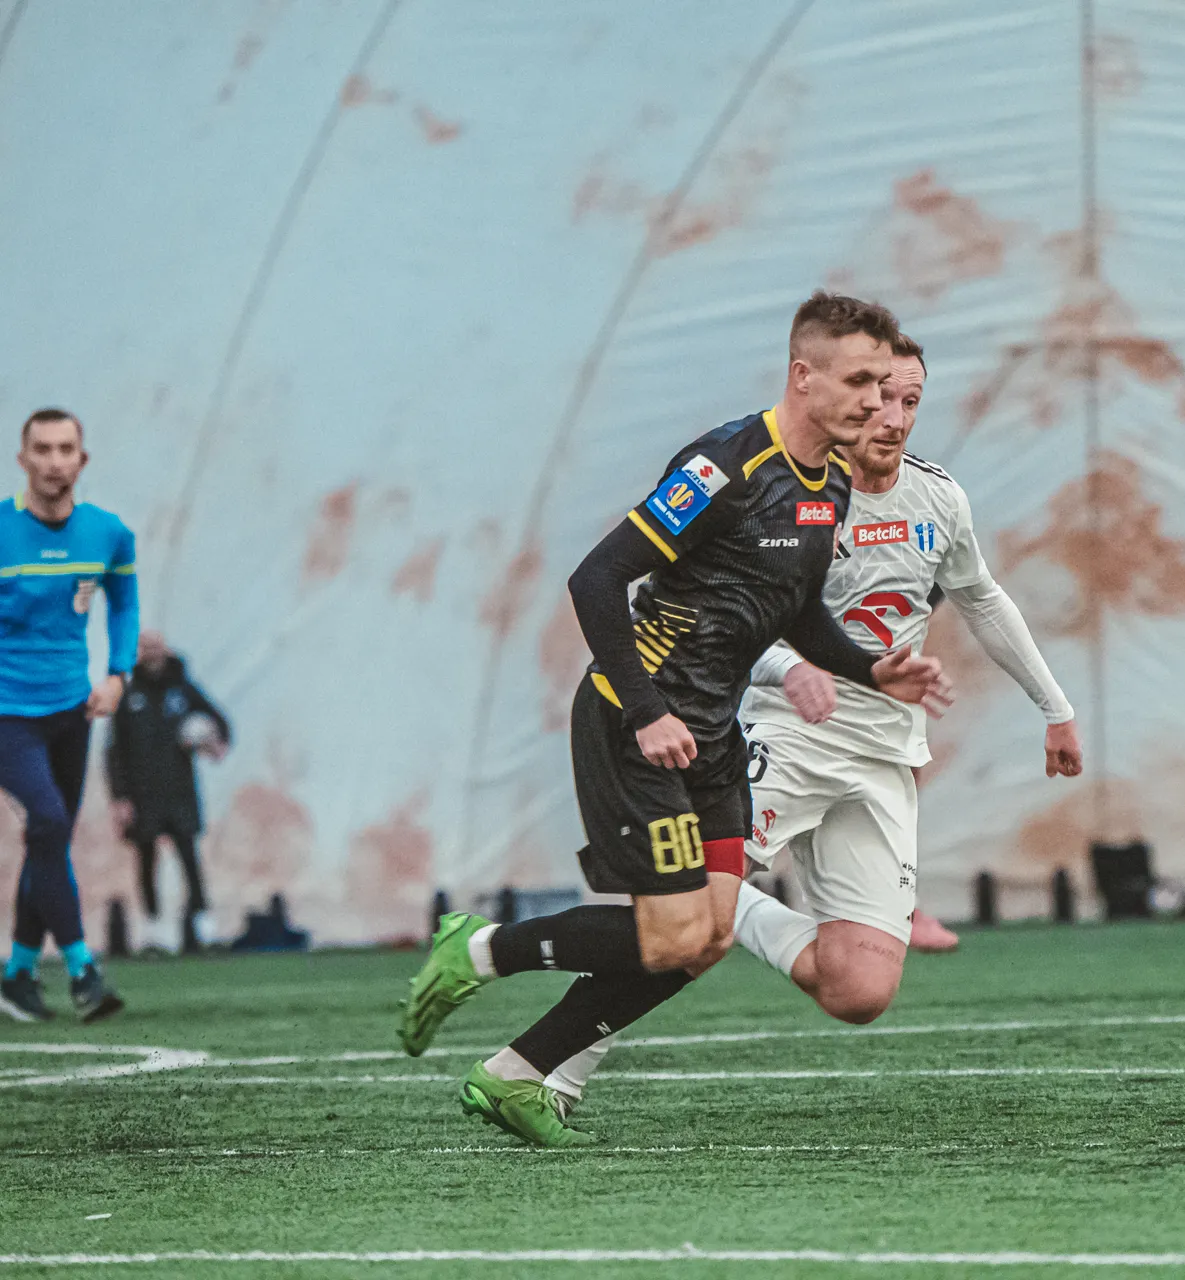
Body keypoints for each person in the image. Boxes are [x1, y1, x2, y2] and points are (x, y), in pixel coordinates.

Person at [398, 292, 948, 1146]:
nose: (876, 403)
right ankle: (481, 948)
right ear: (803, 376)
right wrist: (648, 709)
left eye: (884, 385)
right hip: (637, 725)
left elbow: (796, 611)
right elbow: (595, 579)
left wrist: (870, 668)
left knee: (708, 939)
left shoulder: (830, 482)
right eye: (858, 382)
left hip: (713, 735)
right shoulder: (724, 469)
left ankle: (518, 1074)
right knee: (674, 936)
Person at [539, 334, 1081, 1115]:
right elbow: (717, 616)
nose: (892, 416)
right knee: (686, 925)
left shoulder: (938, 498)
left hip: (882, 757)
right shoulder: (787, 493)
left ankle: (741, 910)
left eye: (910, 400)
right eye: (879, 396)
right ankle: (557, 1070)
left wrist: (1055, 709)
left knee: (859, 990)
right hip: (785, 739)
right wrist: (785, 668)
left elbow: (983, 599)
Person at [0, 409, 134, 1023]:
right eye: (43, 449)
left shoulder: (108, 533)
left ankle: (17, 974)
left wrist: (118, 674)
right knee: (50, 821)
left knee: (49, 838)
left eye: (66, 449)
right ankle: (83, 969)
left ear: (83, 459)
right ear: (22, 459)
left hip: (72, 712)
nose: (55, 461)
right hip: (8, 716)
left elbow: (124, 604)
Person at [106, 630, 230, 954]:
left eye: (156, 646)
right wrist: (120, 797)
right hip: (142, 793)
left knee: (189, 856)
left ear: (165, 648)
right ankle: (155, 932)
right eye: (145, 647)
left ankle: (203, 928)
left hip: (179, 791)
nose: (151, 652)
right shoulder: (128, 693)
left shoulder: (182, 687)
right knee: (147, 860)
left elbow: (219, 721)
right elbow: (114, 751)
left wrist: (215, 742)